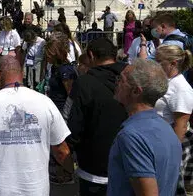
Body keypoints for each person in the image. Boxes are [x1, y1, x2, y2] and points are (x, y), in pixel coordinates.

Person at [0, 56, 71, 196]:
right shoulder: (45, 103)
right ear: (22, 73)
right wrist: (72, 171)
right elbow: (61, 151)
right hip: (35, 190)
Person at [108, 59, 182, 196]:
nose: (117, 82)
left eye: (121, 79)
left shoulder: (131, 136)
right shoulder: (166, 129)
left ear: (136, 91)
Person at [65, 38, 128, 195]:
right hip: (128, 165)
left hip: (94, 170)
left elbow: (72, 123)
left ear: (91, 55)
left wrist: (67, 156)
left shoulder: (84, 83)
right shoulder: (131, 77)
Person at [155, 45, 193, 195]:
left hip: (174, 144)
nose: (155, 65)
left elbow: (181, 125)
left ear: (173, 63)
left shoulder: (180, 88)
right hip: (163, 140)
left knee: (170, 187)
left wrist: (171, 154)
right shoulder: (167, 82)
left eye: (159, 62)